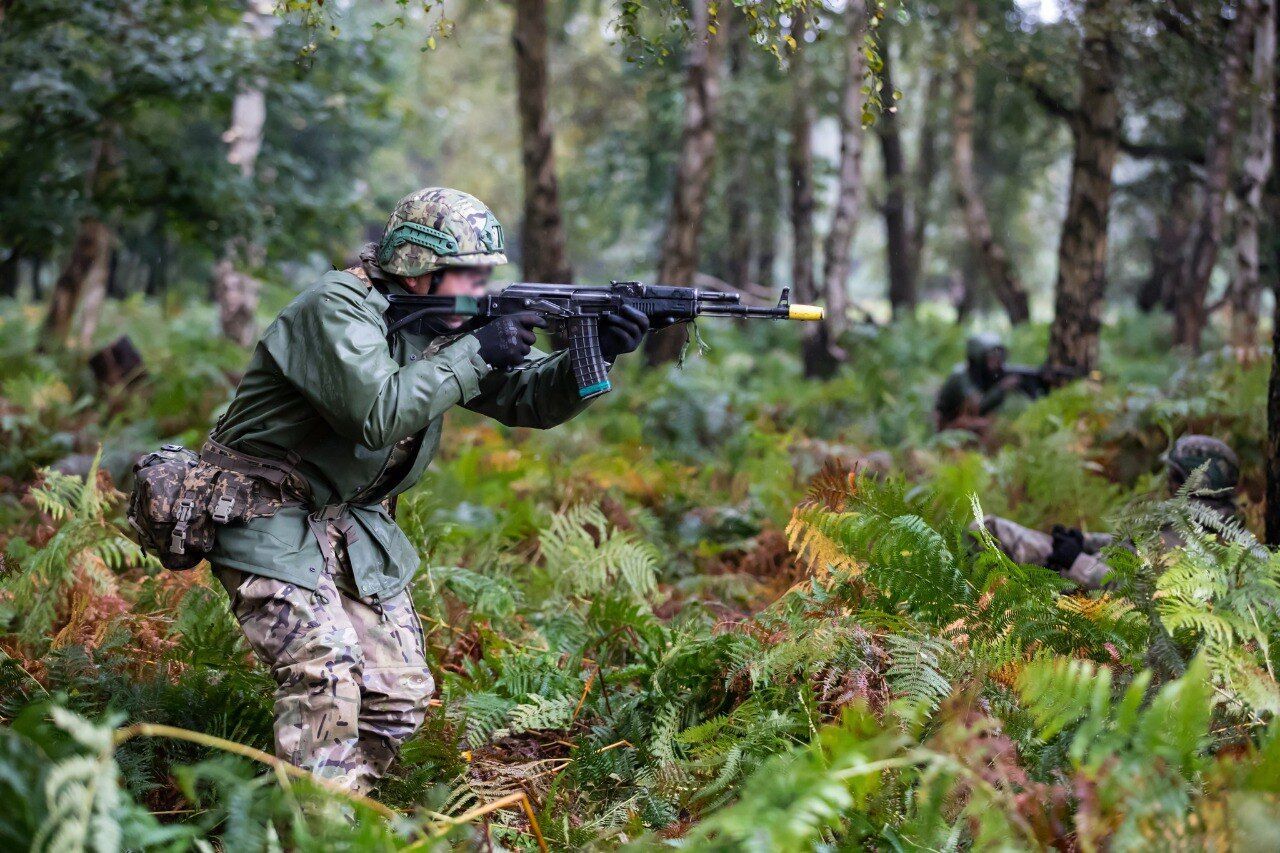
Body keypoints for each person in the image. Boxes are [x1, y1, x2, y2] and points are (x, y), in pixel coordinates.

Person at [201, 187, 652, 794]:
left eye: (486, 274)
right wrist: (477, 348)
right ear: (417, 271)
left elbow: (524, 399)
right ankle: (324, 831)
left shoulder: (443, 321)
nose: (480, 287)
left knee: (399, 699)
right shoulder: (334, 308)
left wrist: (589, 359)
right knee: (323, 675)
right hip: (261, 507)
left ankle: (318, 806)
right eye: (466, 273)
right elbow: (378, 414)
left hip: (347, 519)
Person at [974, 435, 1243, 590]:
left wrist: (1075, 561)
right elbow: (1136, 545)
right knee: (991, 530)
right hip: (1095, 568)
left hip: (1091, 590)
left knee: (990, 531)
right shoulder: (1203, 523)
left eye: (1174, 476)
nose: (1169, 485)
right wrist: (1087, 540)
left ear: (1194, 482)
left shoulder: (1199, 539)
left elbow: (1133, 592)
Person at [935, 333, 1054, 435]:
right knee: (992, 427)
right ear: (978, 358)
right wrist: (1002, 388)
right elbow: (978, 407)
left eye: (999, 357)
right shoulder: (961, 376)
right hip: (950, 426)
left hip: (970, 422)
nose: (997, 363)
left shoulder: (989, 373)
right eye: (991, 358)